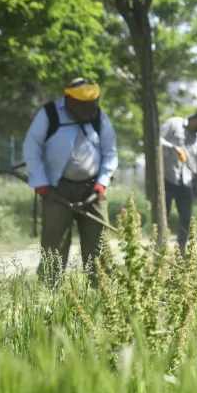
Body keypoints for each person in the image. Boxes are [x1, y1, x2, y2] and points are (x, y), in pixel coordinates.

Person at [22, 77, 118, 287]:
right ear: (69, 99)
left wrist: (102, 183)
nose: (89, 107)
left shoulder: (99, 117)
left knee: (99, 244)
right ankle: (49, 291)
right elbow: (31, 149)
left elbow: (110, 153)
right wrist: (41, 183)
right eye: (83, 103)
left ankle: (103, 291)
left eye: (92, 102)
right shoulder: (49, 114)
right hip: (56, 189)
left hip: (93, 191)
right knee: (54, 244)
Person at [161, 108, 197, 256]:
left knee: (186, 218)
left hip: (186, 182)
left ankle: (181, 251)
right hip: (167, 178)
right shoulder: (174, 124)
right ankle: (160, 247)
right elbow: (157, 139)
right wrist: (173, 148)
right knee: (162, 215)